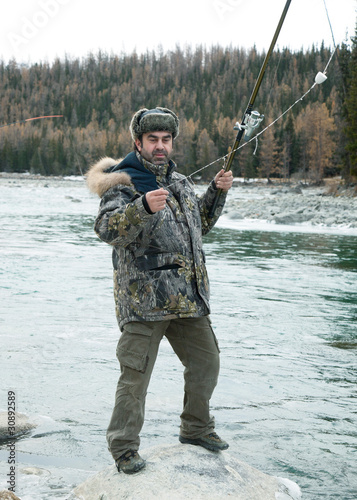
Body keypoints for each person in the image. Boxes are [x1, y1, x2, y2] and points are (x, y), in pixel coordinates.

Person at [86, 107, 233, 474]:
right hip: (143, 302)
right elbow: (106, 230)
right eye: (153, 140)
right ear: (138, 142)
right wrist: (142, 209)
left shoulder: (181, 182)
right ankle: (124, 449)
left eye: (166, 140)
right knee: (135, 376)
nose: (160, 146)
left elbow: (199, 224)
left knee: (206, 362)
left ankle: (196, 428)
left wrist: (216, 192)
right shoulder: (123, 183)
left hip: (186, 298)